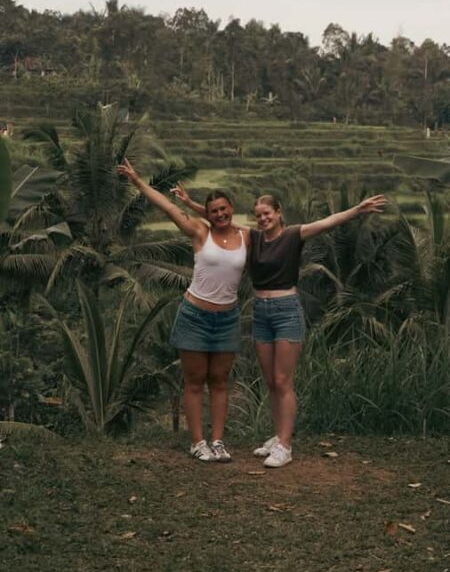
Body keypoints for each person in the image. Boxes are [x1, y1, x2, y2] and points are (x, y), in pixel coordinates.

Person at [171, 183, 387, 468]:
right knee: (271, 381)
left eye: (267, 213)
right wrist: (190, 203)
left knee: (283, 380)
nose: (262, 219)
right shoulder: (253, 237)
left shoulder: (294, 235)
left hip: (287, 311)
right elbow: (219, 218)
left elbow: (326, 223)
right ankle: (277, 436)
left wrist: (357, 211)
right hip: (261, 311)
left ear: (278, 212)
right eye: (258, 215)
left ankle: (285, 445)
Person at [117, 159, 248, 462]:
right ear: (208, 214)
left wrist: (196, 204)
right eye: (214, 210)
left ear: (232, 207)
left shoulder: (246, 237)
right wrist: (138, 181)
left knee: (219, 380)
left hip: (227, 318)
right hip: (195, 316)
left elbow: (275, 233)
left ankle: (217, 440)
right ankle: (197, 442)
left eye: (224, 209)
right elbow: (169, 209)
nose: (220, 214)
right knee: (194, 380)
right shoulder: (200, 233)